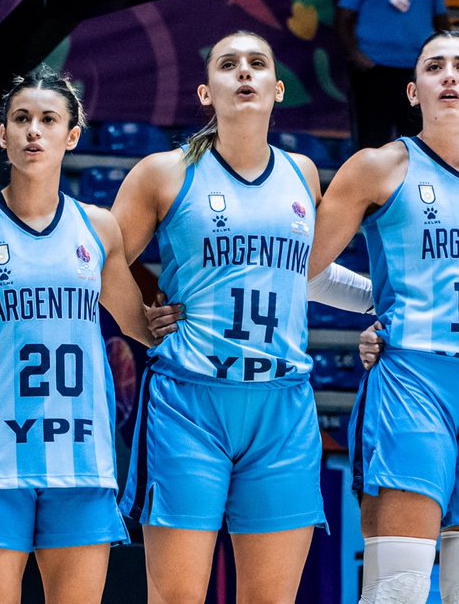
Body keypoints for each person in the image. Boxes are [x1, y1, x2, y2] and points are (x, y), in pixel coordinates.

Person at [110, 31, 334, 603]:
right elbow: (99, 259)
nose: (243, 74)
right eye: (227, 64)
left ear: (277, 89)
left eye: (257, 64)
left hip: (282, 406)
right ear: (206, 91)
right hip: (191, 404)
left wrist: (386, 304)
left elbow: (304, 272)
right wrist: (140, 324)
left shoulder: (303, 174)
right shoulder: (164, 172)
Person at [312, 29, 459, 604]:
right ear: (414, 92)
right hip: (414, 378)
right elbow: (302, 269)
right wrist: (375, 304)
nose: (450, 76)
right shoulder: (378, 167)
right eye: (435, 67)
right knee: (399, 589)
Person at [0, 66, 157, 604]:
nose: (33, 131)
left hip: (81, 453)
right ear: (2, 135)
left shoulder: (98, 227)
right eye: (21, 119)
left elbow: (141, 326)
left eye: (48, 120)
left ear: (72, 136)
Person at [336, 0, 450, 149]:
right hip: (374, 70)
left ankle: (414, 180)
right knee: (371, 140)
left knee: (417, 141)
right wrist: (356, 55)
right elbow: (344, 19)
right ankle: (370, 181)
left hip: (416, 72)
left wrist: (440, 61)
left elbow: (442, 21)